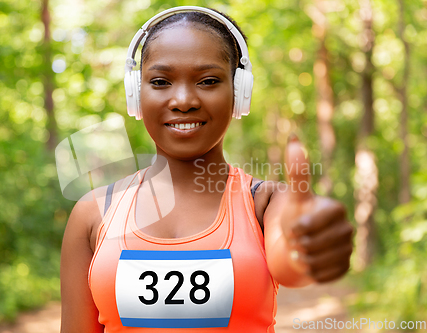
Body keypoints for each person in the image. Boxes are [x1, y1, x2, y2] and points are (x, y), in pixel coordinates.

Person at [60, 6, 353, 332]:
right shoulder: (93, 213)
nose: (183, 100)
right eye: (160, 81)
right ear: (136, 93)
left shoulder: (267, 202)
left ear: (239, 92)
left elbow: (290, 262)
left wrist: (308, 247)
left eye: (208, 80)